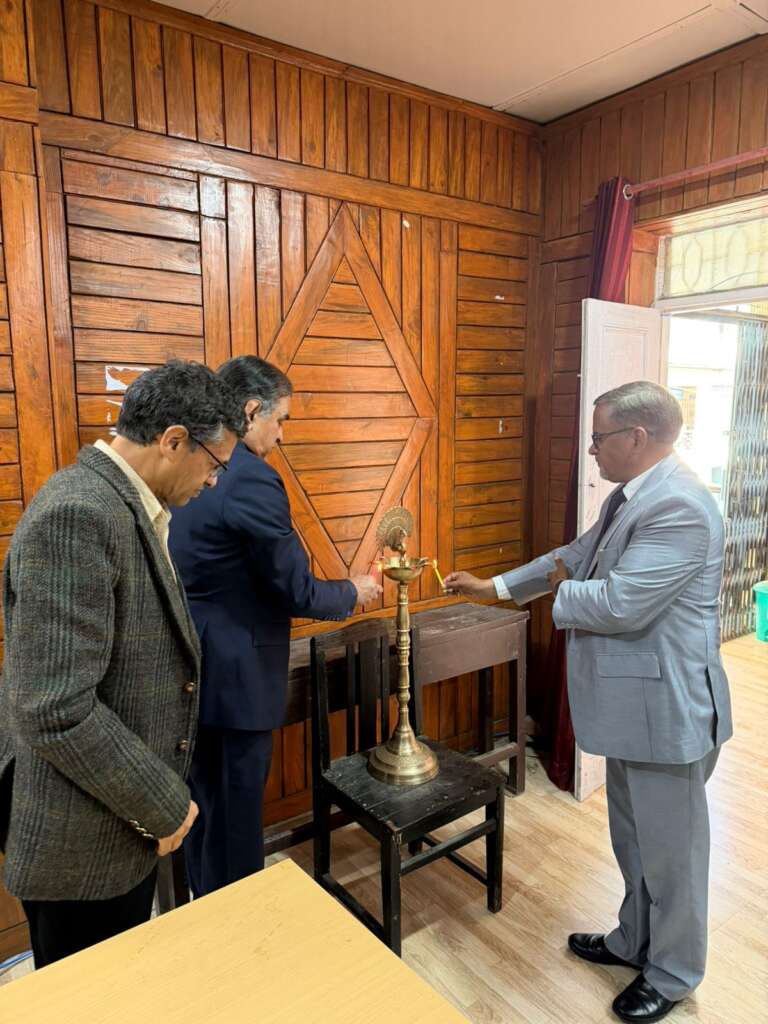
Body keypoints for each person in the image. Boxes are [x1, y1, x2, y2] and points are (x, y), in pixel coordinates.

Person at [445, 381, 732, 1024]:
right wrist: (495, 587)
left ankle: (673, 973)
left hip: (669, 710)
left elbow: (622, 603)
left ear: (637, 437)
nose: (592, 449)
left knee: (673, 854)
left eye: (599, 438)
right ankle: (634, 941)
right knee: (633, 838)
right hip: (635, 706)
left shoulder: (681, 506)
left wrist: (563, 590)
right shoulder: (632, 495)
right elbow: (571, 557)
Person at [0, 360, 245, 968]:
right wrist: (164, 803)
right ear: (174, 441)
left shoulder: (123, 504)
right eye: (214, 464)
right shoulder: (78, 515)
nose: (215, 482)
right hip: (80, 845)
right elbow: (55, 708)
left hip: (111, 821)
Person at [169, 355, 381, 897]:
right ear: (250, 410)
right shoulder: (251, 478)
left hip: (191, 669)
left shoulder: (193, 464)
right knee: (236, 827)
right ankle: (238, 929)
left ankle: (206, 912)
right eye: (280, 419)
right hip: (236, 680)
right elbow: (296, 589)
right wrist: (354, 592)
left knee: (202, 815)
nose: (282, 435)